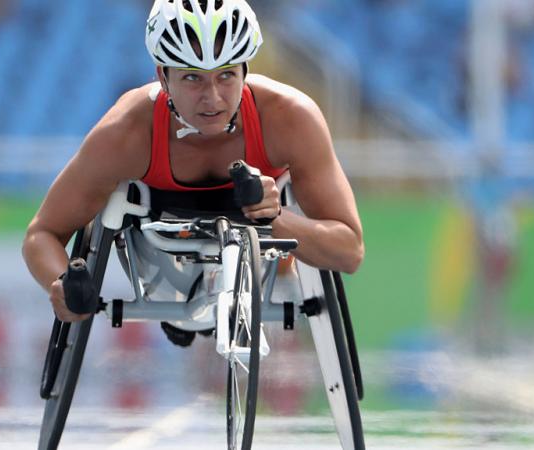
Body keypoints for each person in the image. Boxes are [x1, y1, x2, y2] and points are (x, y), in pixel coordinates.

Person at [22, 0, 364, 325]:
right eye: (192, 78)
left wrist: (275, 219)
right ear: (162, 77)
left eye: (226, 75)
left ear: (246, 70)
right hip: (155, 261)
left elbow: (349, 250)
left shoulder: (291, 118)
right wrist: (63, 284)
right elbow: (42, 233)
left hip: (257, 254)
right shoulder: (124, 133)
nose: (212, 98)